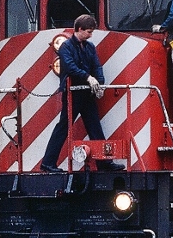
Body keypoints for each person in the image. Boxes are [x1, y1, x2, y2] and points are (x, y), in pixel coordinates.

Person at [40, 14, 122, 172]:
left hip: (86, 92)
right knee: (64, 126)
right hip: (73, 93)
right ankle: (47, 163)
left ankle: (104, 162)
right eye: (89, 32)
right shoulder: (66, 47)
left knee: (94, 126)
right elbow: (69, 67)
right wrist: (88, 77)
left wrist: (100, 83)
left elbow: (97, 65)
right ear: (79, 29)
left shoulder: (89, 46)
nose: (91, 35)